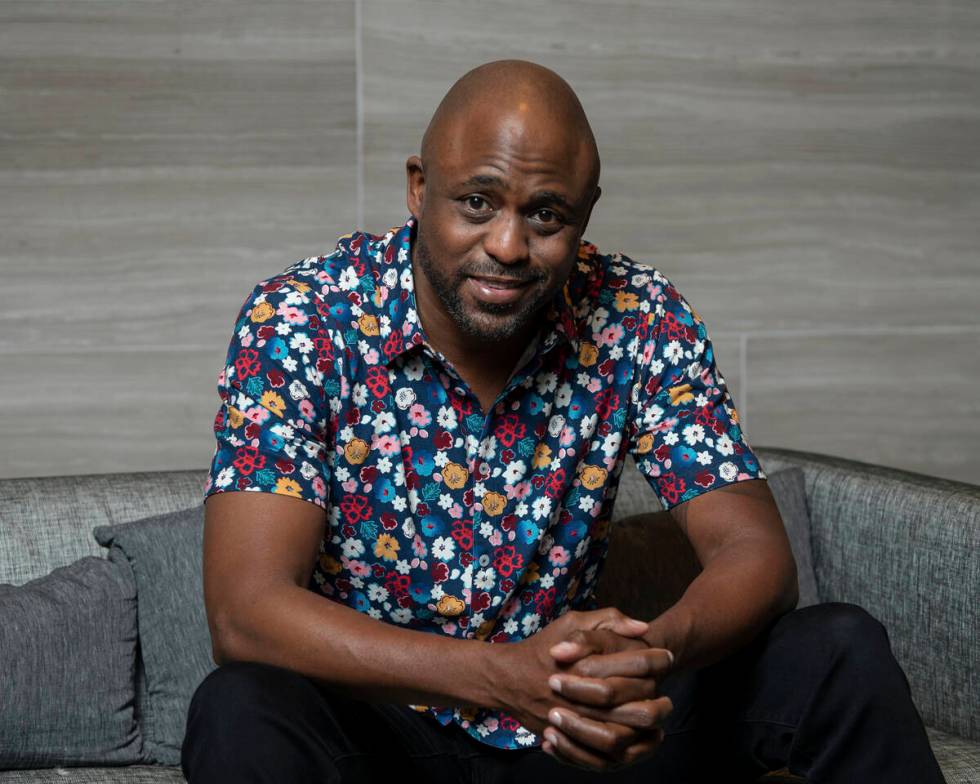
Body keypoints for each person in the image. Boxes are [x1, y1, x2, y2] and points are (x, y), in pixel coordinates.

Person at [181, 59, 946, 783]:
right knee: (241, 710)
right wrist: (502, 679)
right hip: (385, 733)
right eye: (477, 202)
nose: (508, 246)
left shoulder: (638, 315)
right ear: (419, 188)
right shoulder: (304, 319)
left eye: (545, 214)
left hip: (579, 736)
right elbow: (246, 613)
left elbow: (755, 553)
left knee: (838, 649)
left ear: (585, 214)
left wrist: (650, 657)